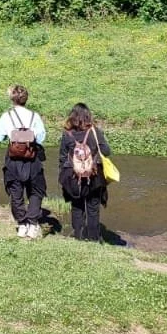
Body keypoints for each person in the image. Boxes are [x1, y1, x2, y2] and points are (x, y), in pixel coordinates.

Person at [0, 84, 47, 239]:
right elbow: (41, 137)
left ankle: (22, 224)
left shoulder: (6, 116)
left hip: (13, 159)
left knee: (15, 191)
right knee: (36, 191)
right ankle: (32, 224)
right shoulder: (34, 116)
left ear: (12, 99)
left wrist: (14, 136)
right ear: (26, 99)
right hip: (33, 158)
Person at [59, 103, 112, 242]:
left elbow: (63, 158)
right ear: (88, 116)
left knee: (77, 207)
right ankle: (93, 239)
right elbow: (106, 151)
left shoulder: (67, 134)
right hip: (93, 177)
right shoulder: (94, 132)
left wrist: (65, 178)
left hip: (73, 177)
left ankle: (79, 237)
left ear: (72, 116)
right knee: (93, 208)